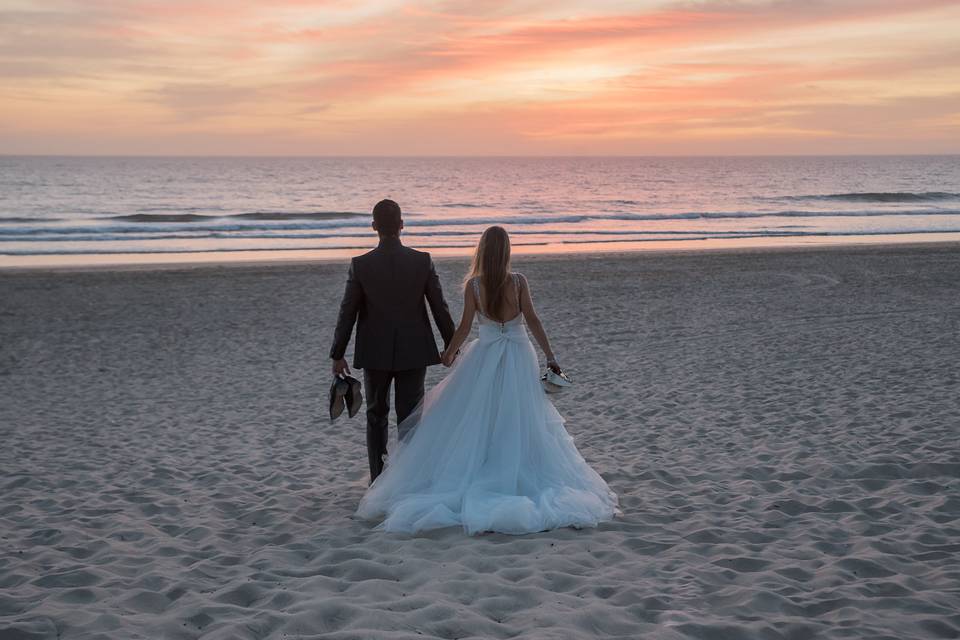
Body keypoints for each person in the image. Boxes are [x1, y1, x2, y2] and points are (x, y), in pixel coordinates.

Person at [356, 225, 619, 535]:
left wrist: (450, 353)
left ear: (481, 251)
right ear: (506, 251)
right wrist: (550, 355)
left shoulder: (475, 286)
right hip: (520, 353)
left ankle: (483, 467)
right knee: (520, 414)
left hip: (486, 353)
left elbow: (466, 327)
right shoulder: (519, 282)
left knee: (479, 414)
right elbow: (532, 319)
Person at [330, 199, 455, 483]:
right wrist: (452, 344)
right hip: (414, 350)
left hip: (375, 353)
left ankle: (377, 479)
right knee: (411, 418)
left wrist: (337, 354)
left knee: (376, 415)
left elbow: (347, 312)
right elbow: (439, 307)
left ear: (374, 227)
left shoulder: (361, 265)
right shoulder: (421, 260)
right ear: (402, 225)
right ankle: (409, 479)